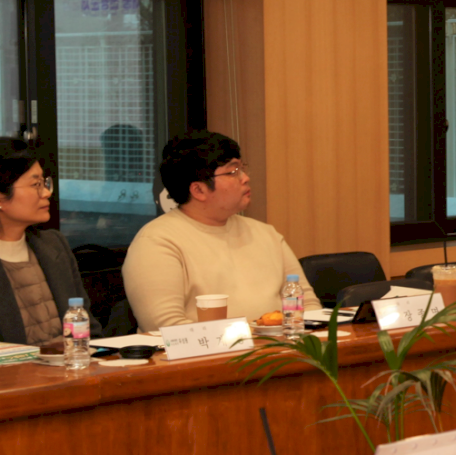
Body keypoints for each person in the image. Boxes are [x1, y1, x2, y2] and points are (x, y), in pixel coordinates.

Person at [124, 131, 321, 332]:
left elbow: (307, 305)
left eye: (242, 168)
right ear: (198, 190)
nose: (245, 178)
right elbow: (165, 328)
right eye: (232, 172)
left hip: (282, 347)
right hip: (209, 352)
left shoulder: (266, 234)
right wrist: (247, 340)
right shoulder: (156, 242)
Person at [0, 140, 100, 346]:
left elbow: (88, 326)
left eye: (44, 183)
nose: (46, 193)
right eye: (35, 185)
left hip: (73, 361)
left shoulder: (53, 245)